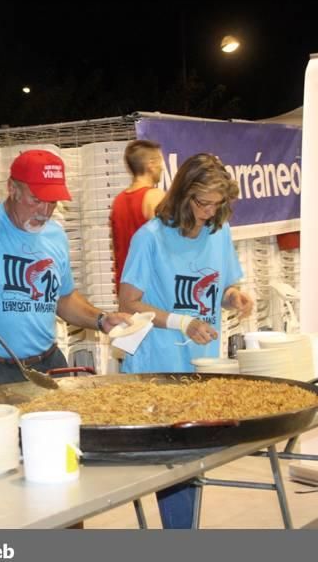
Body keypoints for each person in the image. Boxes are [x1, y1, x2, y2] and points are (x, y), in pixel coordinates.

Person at [118, 153, 254, 528]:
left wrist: (233, 297)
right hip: (160, 366)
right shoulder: (150, 238)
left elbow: (222, 286)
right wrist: (182, 322)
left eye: (216, 204)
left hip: (201, 365)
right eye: (202, 203)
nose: (209, 212)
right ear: (182, 195)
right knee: (176, 468)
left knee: (193, 465)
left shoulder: (217, 231)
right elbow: (128, 303)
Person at [0, 149, 132, 385]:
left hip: (48, 365)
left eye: (52, 202)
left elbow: (63, 299)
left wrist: (101, 320)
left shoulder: (55, 235)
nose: (45, 212)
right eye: (36, 200)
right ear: (12, 188)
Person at [109, 139, 165, 291]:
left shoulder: (118, 201)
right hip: (152, 288)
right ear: (151, 164)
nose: (162, 168)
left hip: (126, 288)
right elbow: (167, 245)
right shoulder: (155, 196)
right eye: (160, 162)